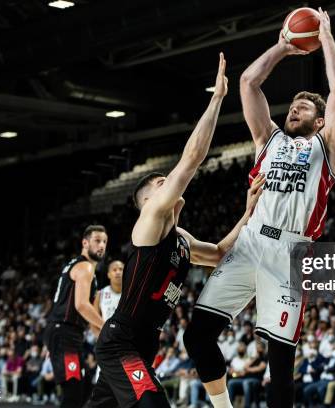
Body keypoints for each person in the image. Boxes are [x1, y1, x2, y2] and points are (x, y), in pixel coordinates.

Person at [183, 7, 335, 408]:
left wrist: (324, 35)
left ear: (322, 120)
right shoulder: (267, 139)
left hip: (289, 252)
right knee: (197, 335)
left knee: (280, 367)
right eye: (292, 105)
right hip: (250, 241)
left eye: (305, 107)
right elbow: (248, 82)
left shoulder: (326, 146)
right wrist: (282, 47)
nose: (295, 109)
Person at [86, 53, 263, 408]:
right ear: (149, 199)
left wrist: (247, 212)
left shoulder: (181, 240)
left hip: (143, 344)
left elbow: (217, 253)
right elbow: (192, 158)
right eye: (162, 182)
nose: (171, 184)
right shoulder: (150, 220)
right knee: (153, 403)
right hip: (122, 342)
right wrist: (217, 98)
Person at [44, 224, 108, 408]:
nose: (101, 245)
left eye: (104, 241)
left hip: (66, 333)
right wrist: (107, 327)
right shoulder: (85, 267)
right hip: (64, 332)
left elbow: (87, 313)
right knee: (74, 392)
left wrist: (105, 336)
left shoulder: (79, 267)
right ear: (85, 243)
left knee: (86, 387)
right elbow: (81, 305)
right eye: (97, 241)